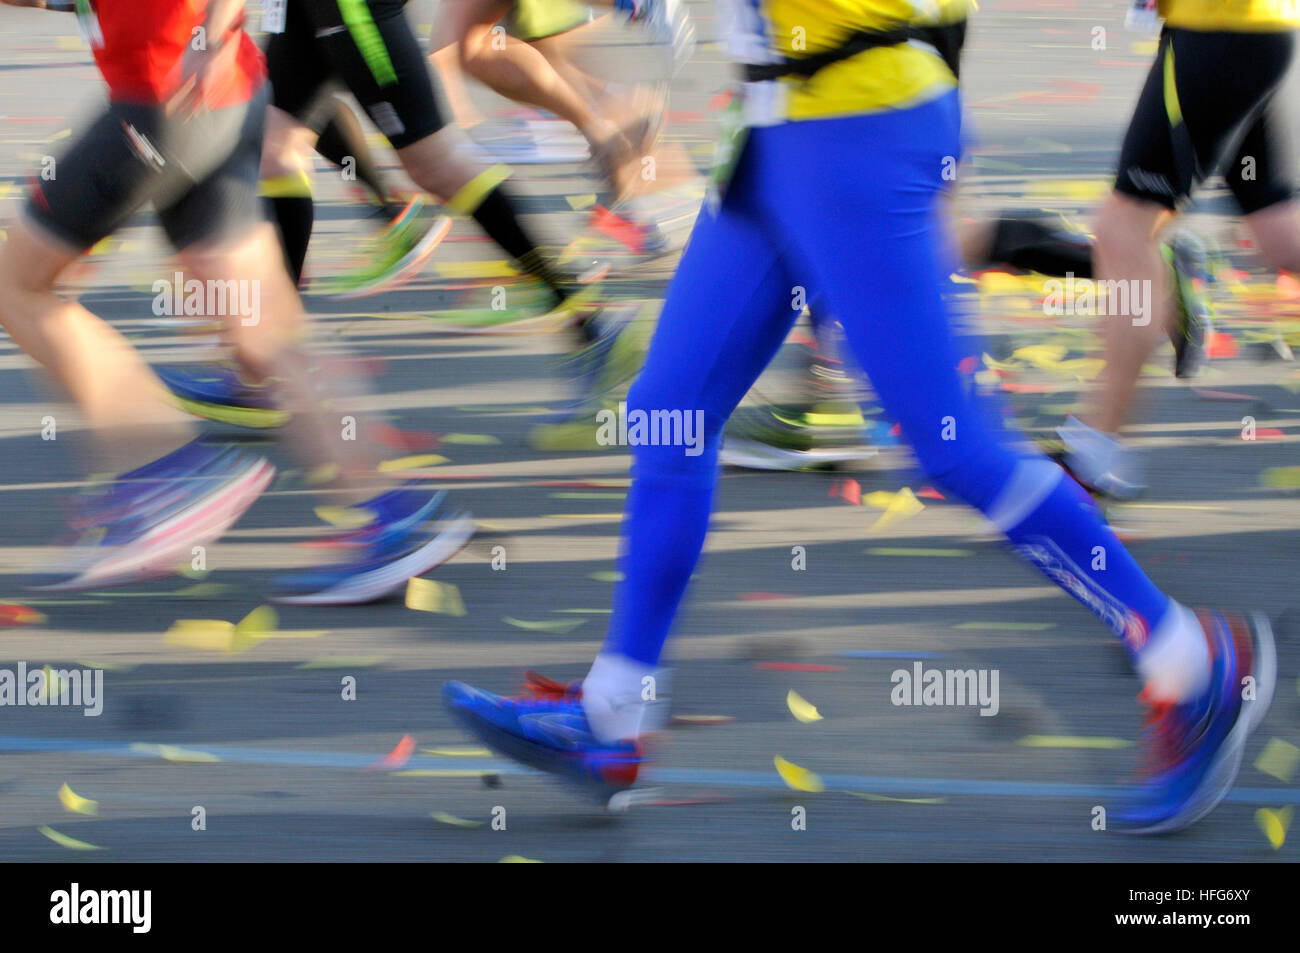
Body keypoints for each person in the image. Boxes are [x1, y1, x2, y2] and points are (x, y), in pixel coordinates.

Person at [442, 0, 1275, 833]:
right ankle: (613, 713)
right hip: (783, 127)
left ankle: (1192, 661)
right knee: (669, 414)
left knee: (956, 447)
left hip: (855, 126)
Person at [0, 0, 471, 603]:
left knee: (20, 286)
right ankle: (392, 518)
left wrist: (208, 31)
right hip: (218, 98)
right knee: (264, 334)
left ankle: (167, 476)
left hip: (162, 104)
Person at [1061, 0, 1300, 498]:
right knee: (1277, 230)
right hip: (1245, 33)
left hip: (1220, 33)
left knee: (1124, 229)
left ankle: (1094, 448)